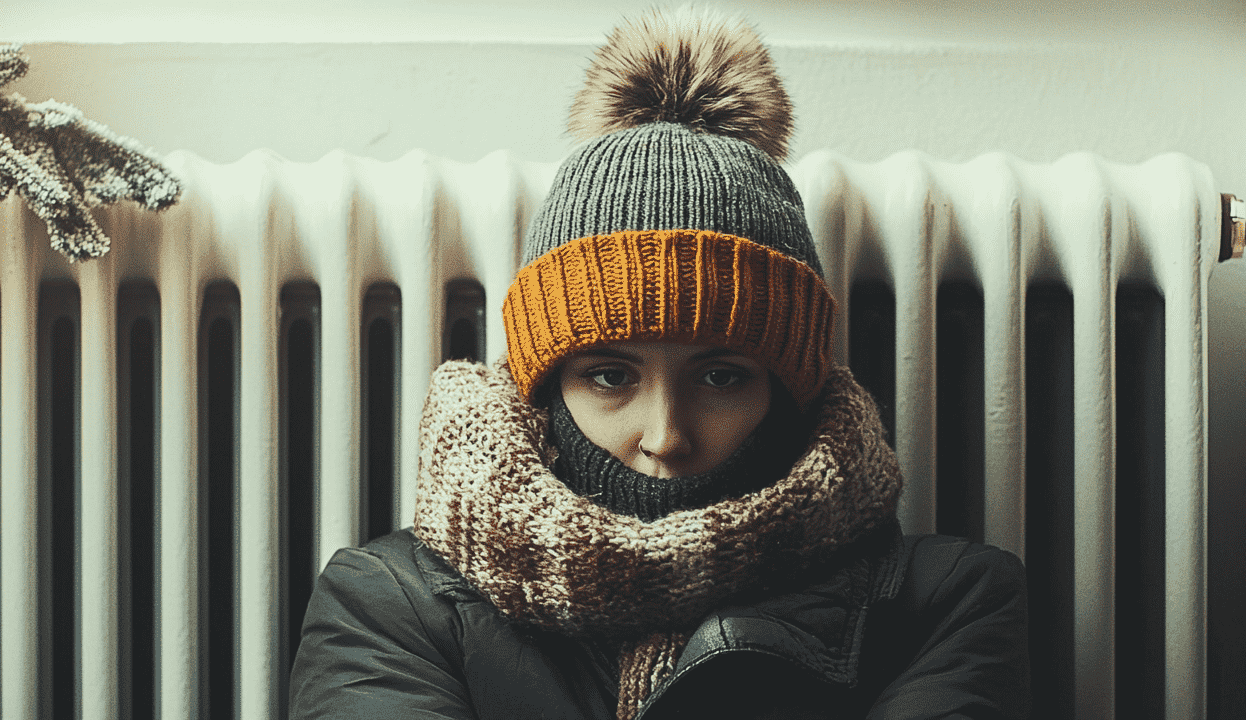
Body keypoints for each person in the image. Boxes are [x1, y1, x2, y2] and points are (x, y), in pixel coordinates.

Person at [288, 8, 1029, 719]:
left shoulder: (948, 603)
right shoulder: (387, 605)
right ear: (544, 388)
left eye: (721, 376)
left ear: (787, 389)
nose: (665, 434)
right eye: (610, 376)